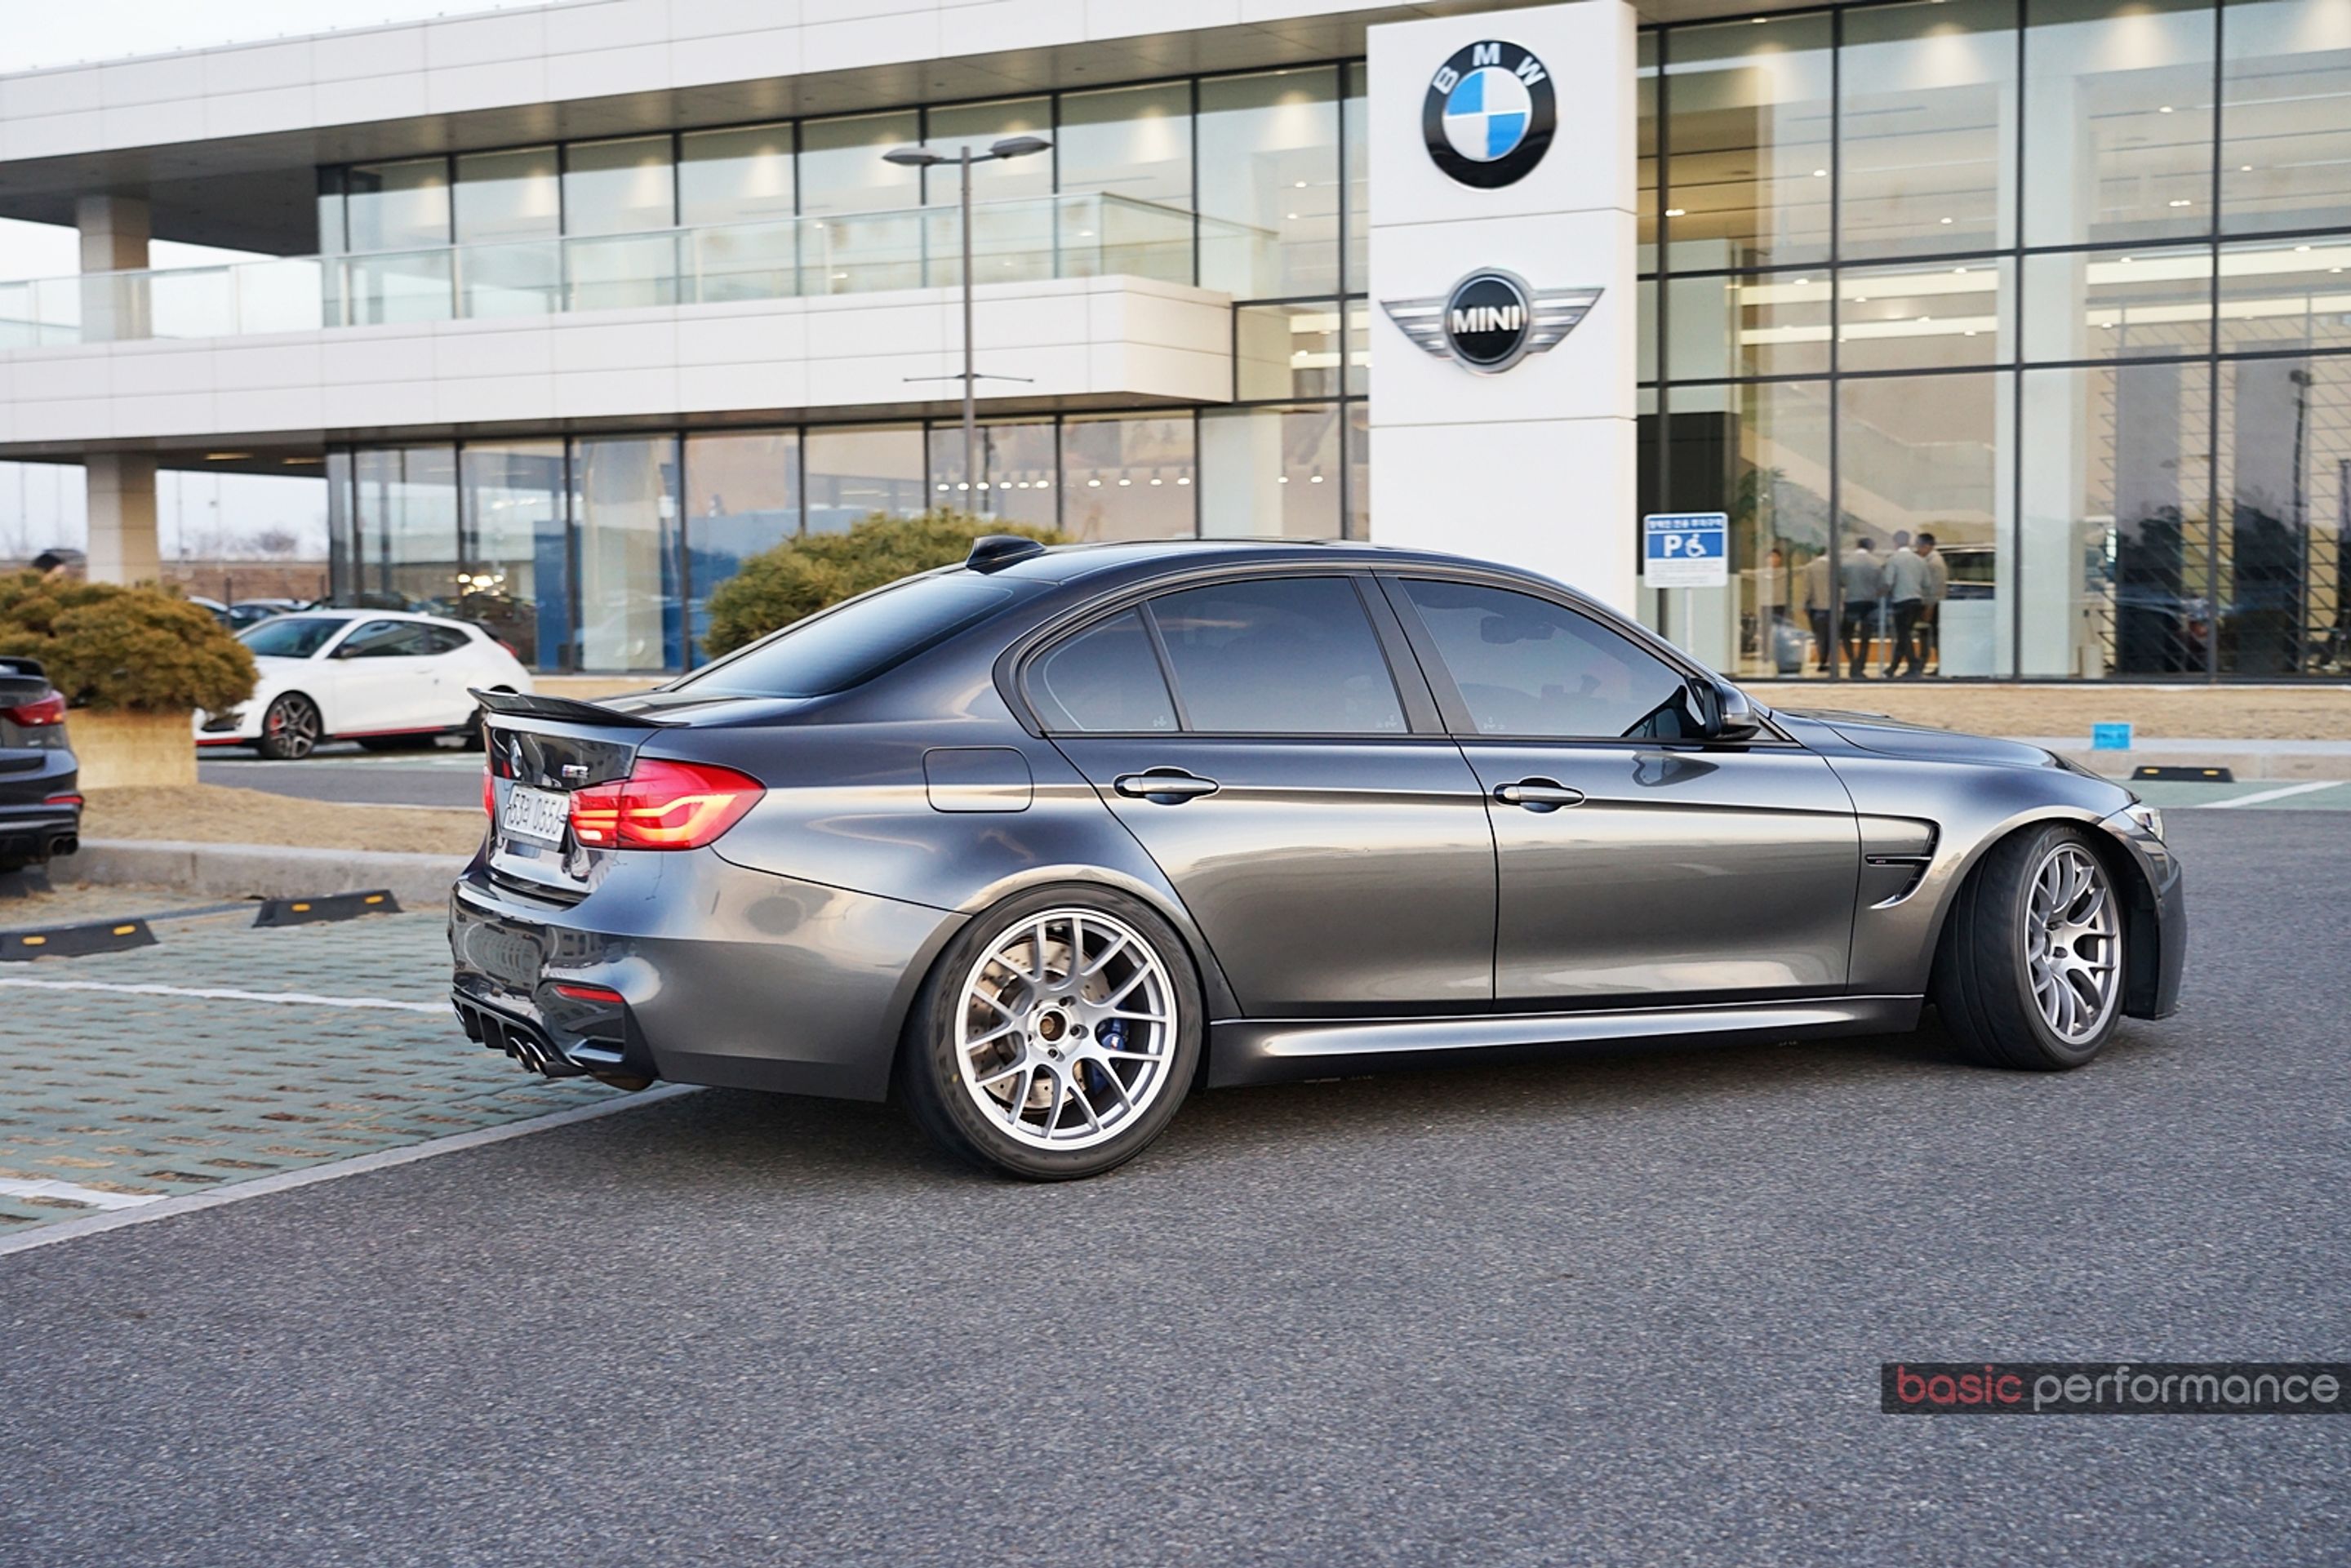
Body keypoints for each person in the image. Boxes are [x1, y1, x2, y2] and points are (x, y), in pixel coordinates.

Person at [1882, 534, 1932, 677]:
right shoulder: (1920, 560)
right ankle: (1893, 668)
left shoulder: (1894, 559)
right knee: (1905, 635)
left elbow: (1888, 582)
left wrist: (1880, 593)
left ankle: (1913, 665)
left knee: (1903, 635)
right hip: (1917, 601)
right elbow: (1927, 583)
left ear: (1895, 542)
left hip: (1901, 601)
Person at [1838, 537, 1882, 677]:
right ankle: (1861, 664)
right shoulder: (1876, 563)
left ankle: (1853, 662)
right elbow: (1882, 584)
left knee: (1846, 634)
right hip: (1870, 602)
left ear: (1857, 545)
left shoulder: (1847, 562)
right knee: (1866, 636)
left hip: (1852, 601)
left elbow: (1840, 581)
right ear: (1871, 548)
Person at [1912, 532, 1948, 676]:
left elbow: (1936, 587)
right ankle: (1923, 663)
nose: (1918, 550)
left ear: (1927, 546)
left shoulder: (1934, 563)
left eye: (1919, 546)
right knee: (1926, 635)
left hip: (1933, 604)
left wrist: (1929, 607)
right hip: (1929, 603)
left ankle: (1939, 665)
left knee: (1933, 637)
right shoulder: (1929, 560)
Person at [1798, 550, 1833, 675]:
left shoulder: (1810, 567)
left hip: (1817, 607)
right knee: (1831, 636)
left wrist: (1803, 605)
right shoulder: (1835, 566)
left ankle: (1822, 661)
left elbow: (1808, 589)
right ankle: (1830, 661)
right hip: (1833, 607)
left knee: (1820, 636)